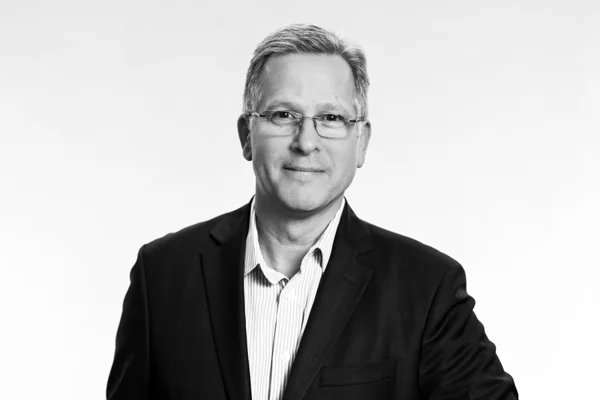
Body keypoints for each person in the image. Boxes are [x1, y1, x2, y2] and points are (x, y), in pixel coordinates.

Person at [106, 24, 518, 400]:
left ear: (361, 142)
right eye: (283, 115)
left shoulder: (426, 287)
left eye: (331, 117)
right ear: (246, 135)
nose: (306, 142)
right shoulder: (162, 275)